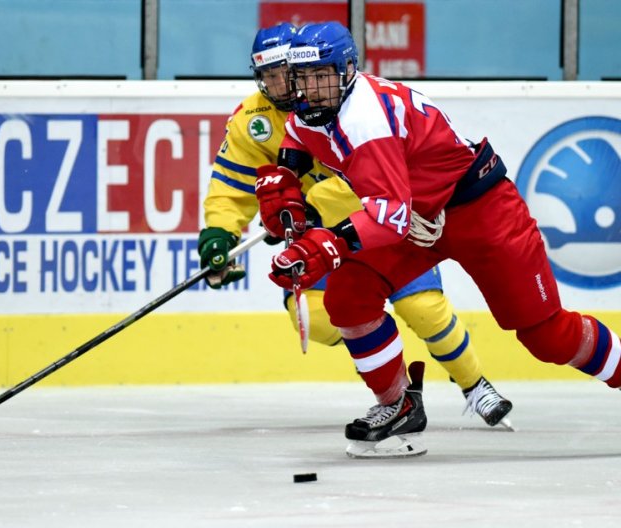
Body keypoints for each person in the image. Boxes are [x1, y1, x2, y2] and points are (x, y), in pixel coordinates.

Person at [254, 21, 621, 457]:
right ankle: (397, 406)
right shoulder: (310, 110)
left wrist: (326, 243)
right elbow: (297, 143)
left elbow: (389, 217)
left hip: (478, 209)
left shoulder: (367, 121)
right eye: (302, 79)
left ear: (348, 70)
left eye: (322, 76)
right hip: (417, 216)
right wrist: (285, 189)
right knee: (349, 297)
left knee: (548, 337)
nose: (311, 90)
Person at [197, 22, 512, 437]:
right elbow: (231, 184)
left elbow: (375, 184)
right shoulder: (250, 121)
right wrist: (220, 234)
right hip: (315, 242)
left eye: (284, 73)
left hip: (373, 224)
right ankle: (398, 390)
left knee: (424, 309)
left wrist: (306, 209)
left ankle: (474, 384)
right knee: (320, 317)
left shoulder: (349, 106)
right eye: (268, 75)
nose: (280, 84)